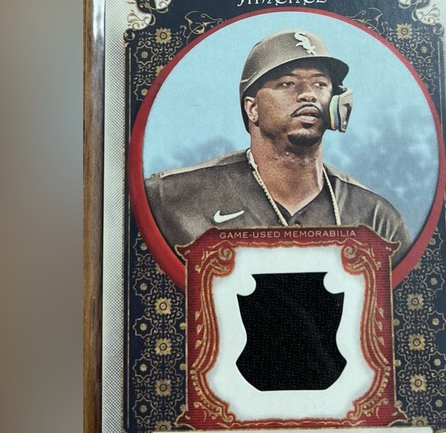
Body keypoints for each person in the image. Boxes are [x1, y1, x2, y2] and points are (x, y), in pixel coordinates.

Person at [145, 30, 411, 264]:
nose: (308, 94)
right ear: (252, 108)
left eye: (320, 84)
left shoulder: (376, 217)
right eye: (287, 83)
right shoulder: (168, 197)